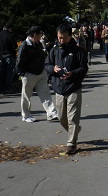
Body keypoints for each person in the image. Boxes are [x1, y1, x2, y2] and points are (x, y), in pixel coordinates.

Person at [45, 24, 88, 155]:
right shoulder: (54, 50)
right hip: (59, 88)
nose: (61, 40)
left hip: (73, 87)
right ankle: (75, 130)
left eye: (63, 38)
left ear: (70, 36)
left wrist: (73, 73)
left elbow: (84, 68)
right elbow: (47, 64)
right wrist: (53, 69)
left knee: (73, 117)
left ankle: (71, 143)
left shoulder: (78, 51)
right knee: (61, 117)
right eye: (59, 38)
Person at [16, 26, 58, 122]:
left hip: (40, 72)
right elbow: (20, 60)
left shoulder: (37, 43)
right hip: (29, 73)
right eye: (40, 34)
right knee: (26, 95)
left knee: (45, 93)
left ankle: (51, 113)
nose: (41, 36)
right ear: (35, 35)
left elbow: (41, 55)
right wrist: (22, 74)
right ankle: (26, 115)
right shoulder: (24, 45)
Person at [0, 24, 18, 97]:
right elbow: (15, 46)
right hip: (9, 55)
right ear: (9, 28)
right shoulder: (10, 35)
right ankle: (8, 88)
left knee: (2, 73)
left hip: (1, 56)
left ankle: (2, 89)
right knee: (9, 73)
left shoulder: (0, 34)